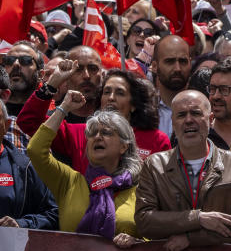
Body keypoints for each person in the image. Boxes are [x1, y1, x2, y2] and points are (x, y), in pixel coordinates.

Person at [135, 90, 231, 251]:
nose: (188, 120)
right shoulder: (154, 165)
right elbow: (144, 221)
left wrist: (192, 239)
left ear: (211, 119)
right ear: (172, 122)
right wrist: (197, 218)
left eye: (196, 113)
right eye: (181, 115)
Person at [27, 90, 140, 246]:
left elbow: (157, 241)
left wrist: (138, 244)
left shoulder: (140, 190)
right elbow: (36, 149)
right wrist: (64, 108)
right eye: (92, 133)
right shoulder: (70, 182)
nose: (97, 137)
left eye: (106, 132)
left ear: (123, 146)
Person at [18, 66, 170, 172]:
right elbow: (28, 122)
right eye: (106, 92)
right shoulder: (79, 133)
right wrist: (51, 85)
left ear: (133, 105)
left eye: (120, 93)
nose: (111, 98)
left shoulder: (157, 140)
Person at [0, 100, 58, 230]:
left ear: (7, 124)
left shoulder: (25, 168)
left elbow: (54, 213)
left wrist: (22, 224)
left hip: (10, 248)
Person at [152, 36, 191, 137]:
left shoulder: (203, 109)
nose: (177, 68)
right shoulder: (142, 110)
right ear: (155, 66)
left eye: (183, 61)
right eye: (170, 61)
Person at [1, 42, 42, 118]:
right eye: (9, 60)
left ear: (40, 74)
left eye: (25, 60)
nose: (16, 64)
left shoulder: (49, 115)